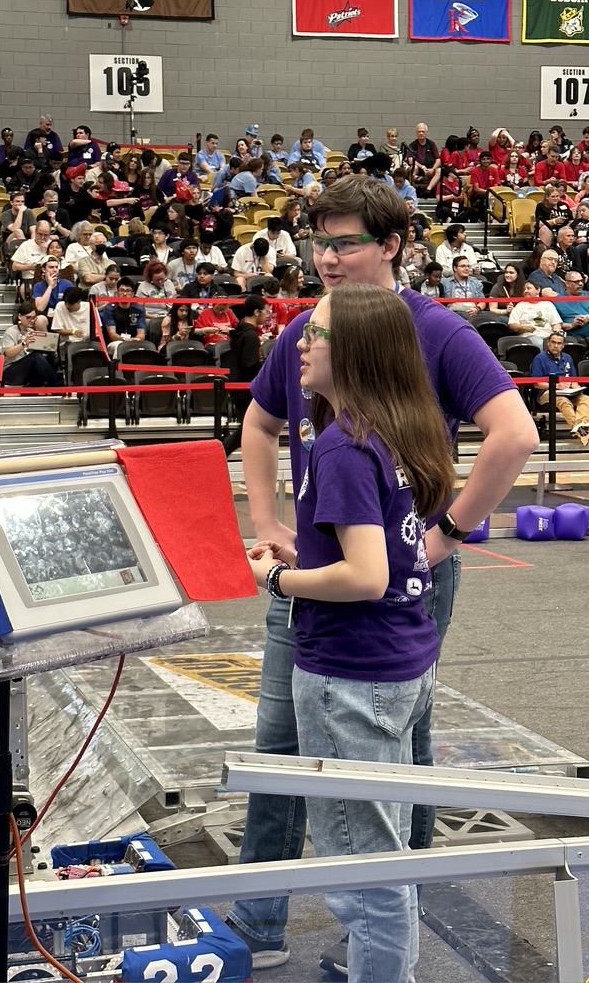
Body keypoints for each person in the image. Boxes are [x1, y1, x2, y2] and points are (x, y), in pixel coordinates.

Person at [225, 176, 537, 974]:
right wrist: (268, 524)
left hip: (391, 574)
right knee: (285, 743)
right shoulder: (308, 335)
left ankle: (380, 924)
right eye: (317, 243)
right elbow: (258, 423)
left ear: (392, 243)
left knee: (396, 751)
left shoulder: (435, 331)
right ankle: (265, 921)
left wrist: (447, 533)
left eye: (345, 243)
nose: (326, 259)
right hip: (325, 570)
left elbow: (514, 435)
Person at [247, 283, 457, 983]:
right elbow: (383, 551)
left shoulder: (341, 446)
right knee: (384, 852)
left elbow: (365, 576)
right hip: (398, 660)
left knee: (365, 875)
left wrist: (281, 580)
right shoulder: (395, 428)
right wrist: (307, 555)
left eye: (317, 333)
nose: (300, 343)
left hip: (350, 675)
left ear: (358, 352)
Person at [222, 297, 269, 456]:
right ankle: (219, 454)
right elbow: (250, 365)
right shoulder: (250, 336)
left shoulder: (240, 331)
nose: (267, 316)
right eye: (266, 312)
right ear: (257, 312)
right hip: (245, 388)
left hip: (238, 385)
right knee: (246, 430)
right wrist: (266, 365)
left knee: (246, 429)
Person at [531, 332, 589, 443]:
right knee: (564, 402)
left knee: (586, 399)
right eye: (553, 342)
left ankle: (581, 427)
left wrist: (574, 386)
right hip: (546, 392)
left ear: (563, 346)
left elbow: (573, 379)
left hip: (568, 391)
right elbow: (537, 384)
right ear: (548, 343)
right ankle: (582, 433)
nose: (556, 345)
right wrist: (556, 386)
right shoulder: (539, 358)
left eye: (559, 343)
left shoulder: (567, 358)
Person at [1, 304, 58, 387]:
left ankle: (35, 386)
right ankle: (55, 386)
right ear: (20, 316)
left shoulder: (31, 331)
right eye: (29, 317)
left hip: (27, 368)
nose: (32, 320)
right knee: (36, 357)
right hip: (11, 370)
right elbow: (8, 353)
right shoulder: (11, 331)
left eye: (34, 318)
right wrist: (24, 343)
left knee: (53, 360)